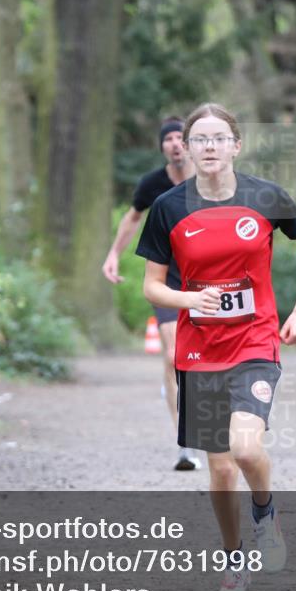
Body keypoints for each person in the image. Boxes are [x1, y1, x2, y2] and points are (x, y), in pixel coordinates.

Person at [136, 103, 296, 591]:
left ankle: (266, 516)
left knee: (244, 450)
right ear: (188, 148)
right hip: (200, 350)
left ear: (236, 145)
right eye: (200, 139)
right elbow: (152, 286)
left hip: (255, 342)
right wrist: (188, 299)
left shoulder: (265, 197)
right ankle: (233, 562)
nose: (210, 147)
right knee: (219, 470)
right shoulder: (169, 208)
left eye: (220, 138)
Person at [103, 117, 201, 471]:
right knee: (175, 355)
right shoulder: (153, 184)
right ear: (162, 147)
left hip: (207, 278)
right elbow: (131, 219)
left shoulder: (208, 180)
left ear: (189, 144)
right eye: (169, 139)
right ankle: (186, 444)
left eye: (181, 137)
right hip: (167, 278)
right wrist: (114, 253)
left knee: (207, 359)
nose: (175, 143)